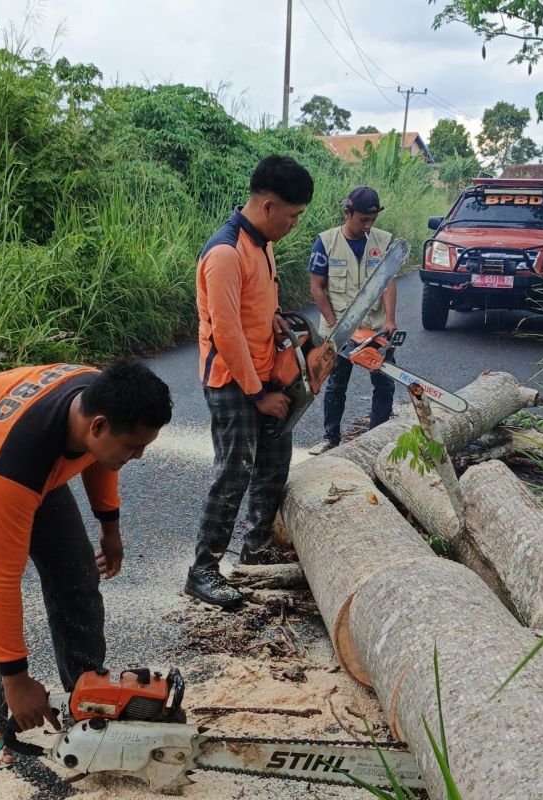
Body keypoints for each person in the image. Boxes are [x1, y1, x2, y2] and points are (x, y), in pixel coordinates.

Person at [0, 360, 172, 771]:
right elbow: (0, 579)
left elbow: (104, 459)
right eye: (134, 447)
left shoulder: (98, 400)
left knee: (77, 573)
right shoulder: (21, 459)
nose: (137, 457)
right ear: (98, 426)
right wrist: (18, 681)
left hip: (14, 458)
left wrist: (109, 526)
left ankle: (86, 696)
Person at [185, 154, 314, 609]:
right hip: (230, 381)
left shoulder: (263, 244)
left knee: (275, 461)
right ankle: (202, 570)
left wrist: (277, 321)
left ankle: (255, 551)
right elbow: (226, 331)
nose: (294, 225)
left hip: (264, 371)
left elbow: (257, 306)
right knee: (235, 471)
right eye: (293, 216)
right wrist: (257, 395)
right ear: (268, 206)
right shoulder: (225, 252)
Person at [306, 185, 398, 456]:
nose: (368, 226)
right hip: (339, 328)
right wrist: (335, 325)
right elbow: (316, 288)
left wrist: (390, 319)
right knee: (336, 383)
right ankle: (330, 438)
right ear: (348, 213)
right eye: (362, 220)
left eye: (373, 220)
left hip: (374, 328)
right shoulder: (326, 242)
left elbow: (388, 283)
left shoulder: (384, 242)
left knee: (385, 382)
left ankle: (377, 438)